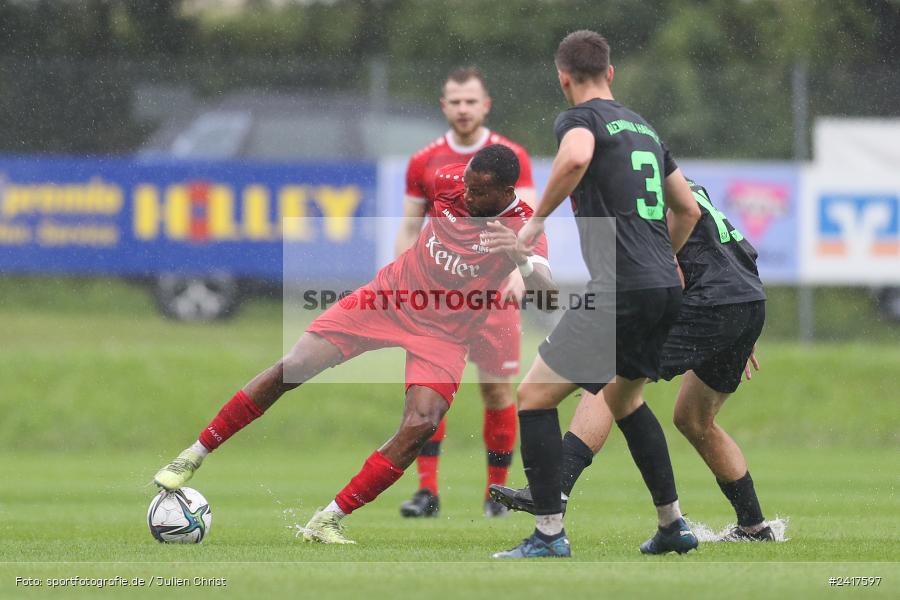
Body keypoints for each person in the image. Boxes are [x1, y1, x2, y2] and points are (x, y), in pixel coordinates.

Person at [153, 144, 555, 545]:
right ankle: (193, 454)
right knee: (293, 366)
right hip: (390, 297)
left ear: (504, 192)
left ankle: (327, 519)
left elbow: (548, 295)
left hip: (444, 334)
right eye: (466, 186)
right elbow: (418, 207)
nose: (466, 195)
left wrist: (521, 261)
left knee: (422, 424)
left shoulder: (523, 229)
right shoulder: (449, 179)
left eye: (478, 192)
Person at [491, 30, 701, 559]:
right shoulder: (644, 128)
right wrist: (665, 258)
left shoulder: (578, 120)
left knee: (534, 397)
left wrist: (531, 226)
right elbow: (688, 210)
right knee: (626, 399)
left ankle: (547, 534)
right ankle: (672, 525)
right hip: (662, 286)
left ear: (564, 78)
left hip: (620, 289)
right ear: (611, 72)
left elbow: (574, 160)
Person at [490, 179, 775, 543]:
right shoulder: (681, 184)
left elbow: (671, 267)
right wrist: (740, 323)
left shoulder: (638, 192)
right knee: (693, 419)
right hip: (744, 301)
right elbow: (737, 253)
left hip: (711, 303)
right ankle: (754, 527)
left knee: (608, 373)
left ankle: (553, 490)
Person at [395, 67, 537, 518]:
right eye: (454, 101)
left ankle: (495, 495)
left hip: (494, 299)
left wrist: (519, 273)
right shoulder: (424, 161)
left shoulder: (513, 156)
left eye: (470, 101)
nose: (462, 109)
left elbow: (531, 224)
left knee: (497, 392)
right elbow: (408, 227)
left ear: (485, 105)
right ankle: (426, 492)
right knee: (427, 393)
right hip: (438, 301)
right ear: (444, 106)